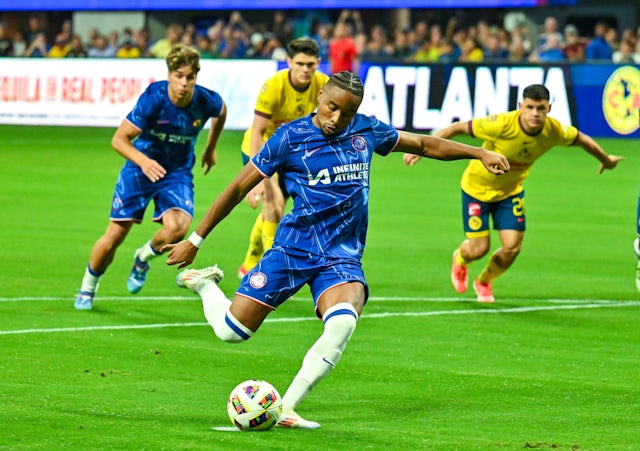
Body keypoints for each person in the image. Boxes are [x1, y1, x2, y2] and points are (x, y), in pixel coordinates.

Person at [160, 71, 510, 428]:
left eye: (347, 112)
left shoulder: (366, 130)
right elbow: (236, 188)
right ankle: (204, 284)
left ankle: (286, 408)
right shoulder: (289, 138)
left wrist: (478, 152)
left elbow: (423, 145)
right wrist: (195, 240)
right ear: (320, 97)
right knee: (231, 331)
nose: (337, 119)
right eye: (332, 108)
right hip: (294, 250)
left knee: (343, 322)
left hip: (341, 257)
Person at [404, 84, 623, 303]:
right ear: (520, 106)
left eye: (540, 108)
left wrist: (605, 160)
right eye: (530, 107)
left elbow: (582, 139)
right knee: (479, 249)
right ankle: (460, 259)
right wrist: (421, 150)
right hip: (477, 189)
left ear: (549, 108)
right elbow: (459, 127)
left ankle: (484, 281)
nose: (535, 114)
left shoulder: (554, 130)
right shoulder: (501, 124)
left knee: (512, 248)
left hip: (510, 192)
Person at [74, 44, 227, 310]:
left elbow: (221, 111)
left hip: (176, 172)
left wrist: (211, 147)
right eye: (179, 76)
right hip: (139, 168)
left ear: (196, 78)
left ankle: (142, 257)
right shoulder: (154, 98)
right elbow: (119, 139)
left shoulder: (204, 100)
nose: (184, 83)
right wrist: (144, 162)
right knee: (115, 235)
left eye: (190, 77)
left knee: (178, 227)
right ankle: (87, 288)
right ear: (169, 75)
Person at [237, 37, 329, 279]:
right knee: (272, 204)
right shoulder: (273, 87)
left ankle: (251, 259)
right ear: (289, 61)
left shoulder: (323, 86)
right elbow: (257, 131)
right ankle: (271, 271)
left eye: (310, 64)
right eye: (300, 63)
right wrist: (258, 177)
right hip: (261, 150)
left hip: (292, 154)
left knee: (276, 209)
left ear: (318, 63)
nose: (305, 69)